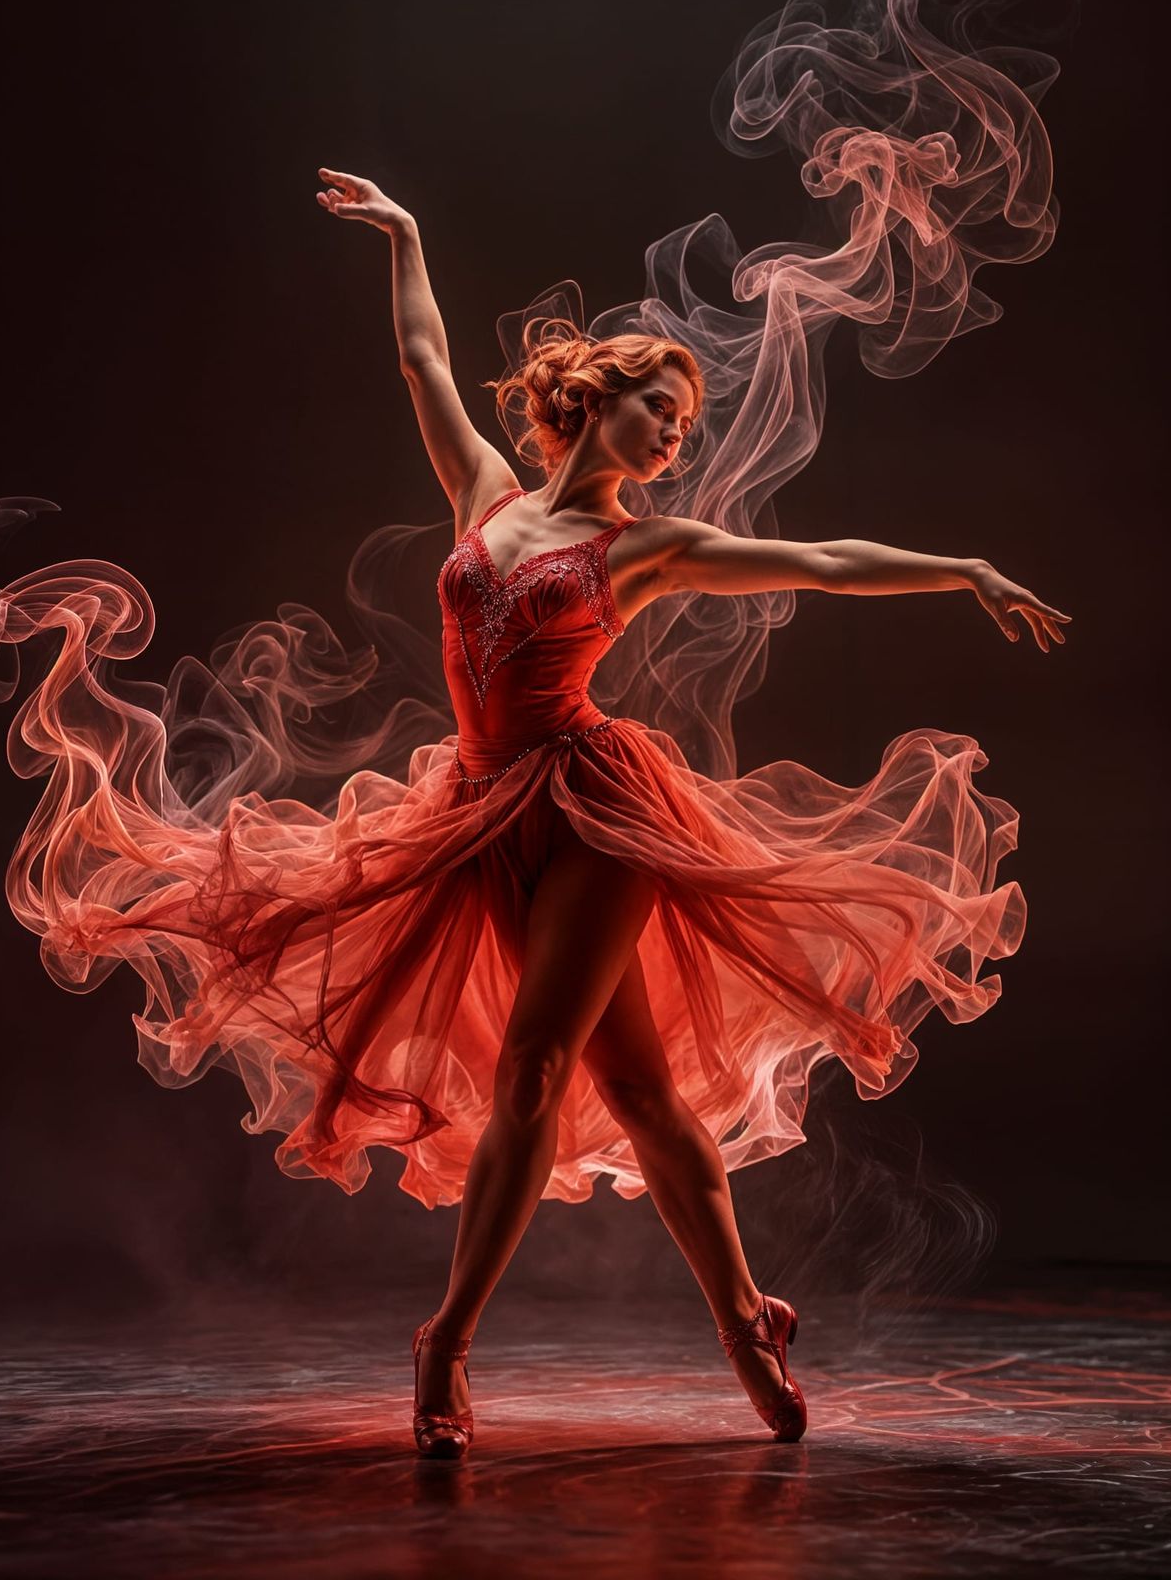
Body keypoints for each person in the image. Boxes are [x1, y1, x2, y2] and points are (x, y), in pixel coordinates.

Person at [313, 167, 1070, 1457]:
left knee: (535, 1070)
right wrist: (409, 236)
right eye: (657, 412)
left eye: (681, 427)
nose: (673, 438)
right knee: (650, 1099)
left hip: (596, 811)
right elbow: (425, 360)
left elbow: (825, 564)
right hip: (481, 814)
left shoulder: (647, 550)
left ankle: (444, 1343)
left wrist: (965, 569)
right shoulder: (485, 499)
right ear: (590, 403)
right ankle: (743, 1320)